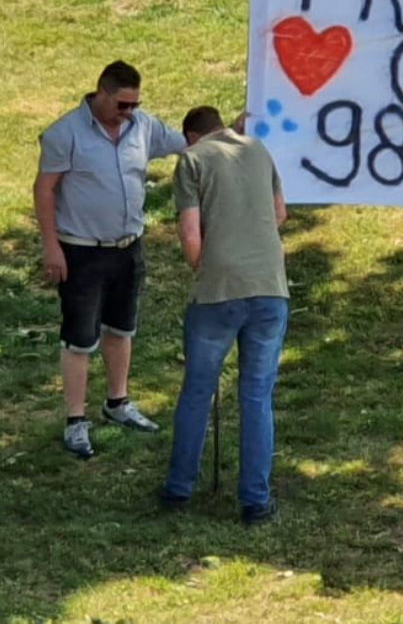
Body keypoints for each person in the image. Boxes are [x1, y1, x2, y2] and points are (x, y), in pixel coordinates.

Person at [34, 61, 185, 459]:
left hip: (128, 247)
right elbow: (44, 190)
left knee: (122, 329)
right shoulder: (64, 133)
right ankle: (75, 420)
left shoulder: (143, 126)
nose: (128, 113)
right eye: (122, 105)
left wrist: (228, 132)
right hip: (81, 250)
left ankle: (117, 402)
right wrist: (51, 247)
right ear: (101, 93)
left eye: (134, 105)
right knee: (80, 338)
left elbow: (187, 142)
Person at [159, 106, 288, 524]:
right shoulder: (258, 149)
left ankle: (179, 489)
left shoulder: (192, 160)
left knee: (197, 391)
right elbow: (280, 214)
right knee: (257, 395)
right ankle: (255, 500)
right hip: (270, 287)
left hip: (218, 290)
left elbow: (190, 232)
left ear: (191, 136)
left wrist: (203, 268)